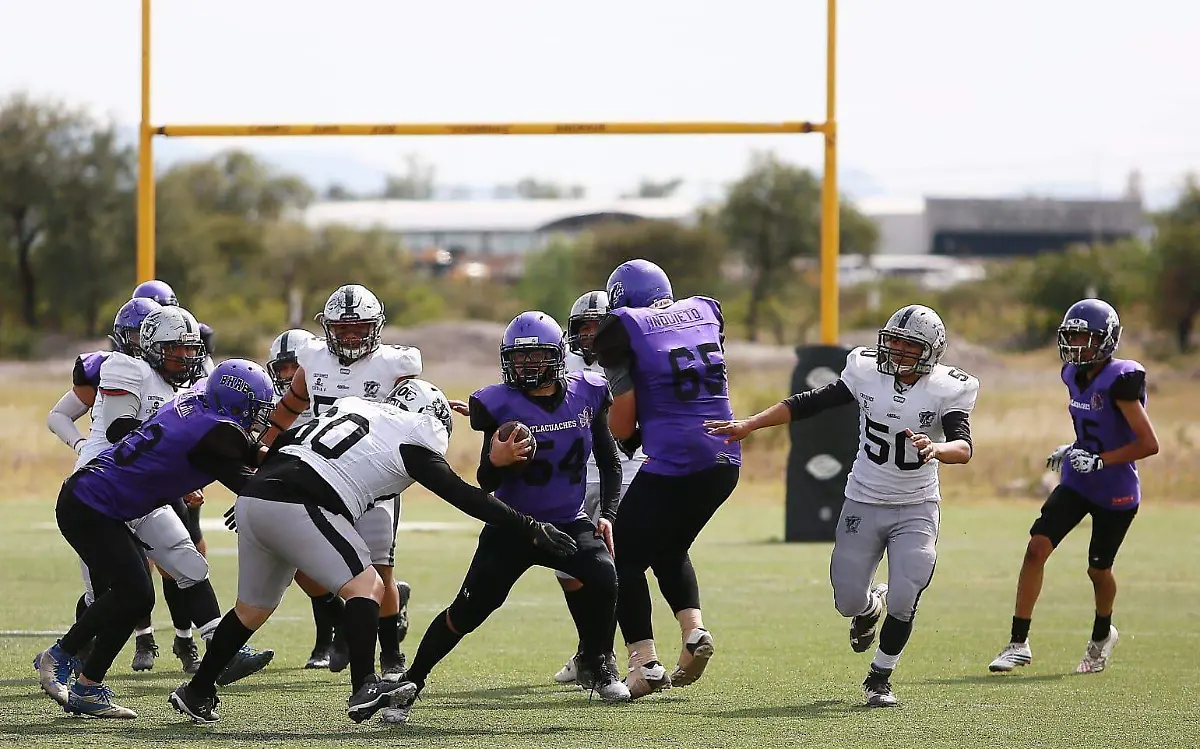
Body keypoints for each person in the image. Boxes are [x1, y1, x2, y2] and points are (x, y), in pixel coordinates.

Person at [169, 378, 574, 724]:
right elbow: (463, 495)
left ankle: (197, 690)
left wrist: (261, 491)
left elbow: (287, 442)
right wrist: (532, 528)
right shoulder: (413, 436)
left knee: (250, 611)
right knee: (367, 585)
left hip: (258, 496)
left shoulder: (353, 409)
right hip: (297, 500)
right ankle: (363, 685)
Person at [707, 304, 977, 707]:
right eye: (895, 342)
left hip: (916, 504)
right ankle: (870, 607)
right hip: (864, 499)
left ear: (932, 350)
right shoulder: (865, 371)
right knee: (847, 599)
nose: (898, 351)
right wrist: (750, 424)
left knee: (908, 591)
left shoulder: (949, 388)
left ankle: (880, 676)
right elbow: (808, 402)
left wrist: (936, 448)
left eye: (909, 345)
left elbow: (964, 447)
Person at [383, 312, 629, 725]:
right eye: (519, 358)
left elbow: (609, 461)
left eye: (536, 357)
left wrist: (606, 514)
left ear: (557, 357)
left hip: (568, 521)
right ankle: (412, 680)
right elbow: (485, 480)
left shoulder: (589, 393)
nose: (527, 366)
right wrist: (496, 460)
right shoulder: (496, 403)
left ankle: (598, 660)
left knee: (605, 577)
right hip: (512, 525)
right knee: (468, 611)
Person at [35, 360, 276, 719]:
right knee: (133, 592)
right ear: (235, 404)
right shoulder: (218, 432)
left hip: (103, 500)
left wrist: (276, 455)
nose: (259, 419)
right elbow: (250, 482)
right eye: (256, 410)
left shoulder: (199, 404)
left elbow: (241, 453)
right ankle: (59, 657)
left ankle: (87, 685)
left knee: (137, 597)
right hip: (91, 503)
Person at [587, 259, 740, 699]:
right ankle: (694, 632)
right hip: (725, 457)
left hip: (677, 458)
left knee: (622, 557)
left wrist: (629, 433)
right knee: (669, 547)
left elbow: (622, 424)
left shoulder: (622, 328)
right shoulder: (703, 312)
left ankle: (644, 663)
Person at [988, 299, 1158, 675]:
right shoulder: (1071, 373)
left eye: (1085, 337)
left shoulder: (1122, 380)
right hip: (1079, 479)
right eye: (1072, 336)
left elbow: (1148, 444)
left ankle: (1102, 635)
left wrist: (1100, 459)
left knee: (1098, 571)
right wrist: (1075, 447)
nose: (1077, 345)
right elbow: (1094, 425)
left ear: (1107, 339)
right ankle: (1018, 643)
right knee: (1036, 549)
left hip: (1115, 488)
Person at [262, 284, 421, 680]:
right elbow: (290, 406)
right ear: (327, 329)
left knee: (379, 569)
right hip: (320, 475)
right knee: (311, 561)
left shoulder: (396, 364)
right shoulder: (313, 358)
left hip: (374, 479)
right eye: (342, 329)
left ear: (376, 327)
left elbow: (415, 409)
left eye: (359, 328)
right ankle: (345, 629)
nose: (350, 336)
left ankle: (391, 653)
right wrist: (260, 446)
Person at [551, 290, 646, 685]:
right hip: (575, 472)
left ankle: (626, 657)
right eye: (584, 328)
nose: (591, 335)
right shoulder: (561, 361)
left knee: (615, 565)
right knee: (565, 567)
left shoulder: (634, 359)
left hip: (623, 468)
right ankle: (590, 648)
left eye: (599, 327)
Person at [260, 327, 344, 669]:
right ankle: (334, 636)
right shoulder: (279, 407)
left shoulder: (332, 398)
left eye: (295, 367)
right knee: (305, 570)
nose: (290, 376)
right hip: (295, 488)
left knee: (333, 567)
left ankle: (370, 622)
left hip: (340, 487)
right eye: (282, 369)